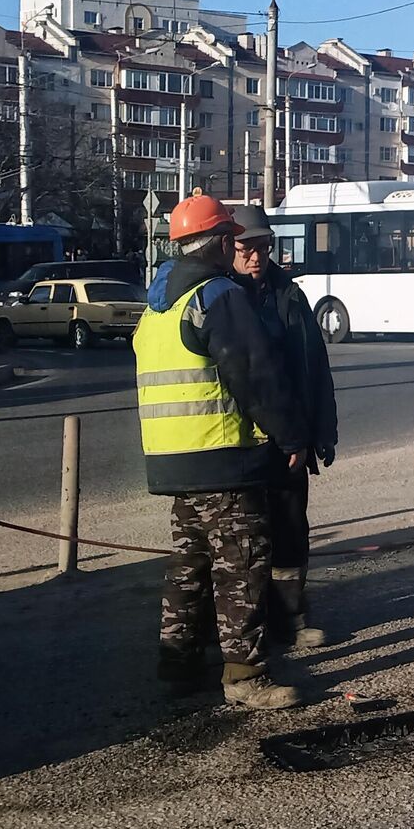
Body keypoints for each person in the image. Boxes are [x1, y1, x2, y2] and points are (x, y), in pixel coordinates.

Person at [133, 191, 310, 710]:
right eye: (232, 237)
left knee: (188, 566)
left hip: (173, 461)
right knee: (241, 566)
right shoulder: (218, 297)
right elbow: (256, 377)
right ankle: (246, 677)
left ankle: (178, 665)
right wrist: (291, 436)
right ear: (219, 242)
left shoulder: (157, 305)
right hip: (224, 459)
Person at [229, 205, 339, 649]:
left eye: (263, 247)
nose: (256, 257)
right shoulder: (221, 295)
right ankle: (250, 626)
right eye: (246, 248)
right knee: (248, 539)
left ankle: (292, 618)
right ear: (228, 248)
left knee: (292, 530)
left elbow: (315, 366)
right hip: (245, 443)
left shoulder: (290, 294)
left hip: (292, 439)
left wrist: (322, 431)